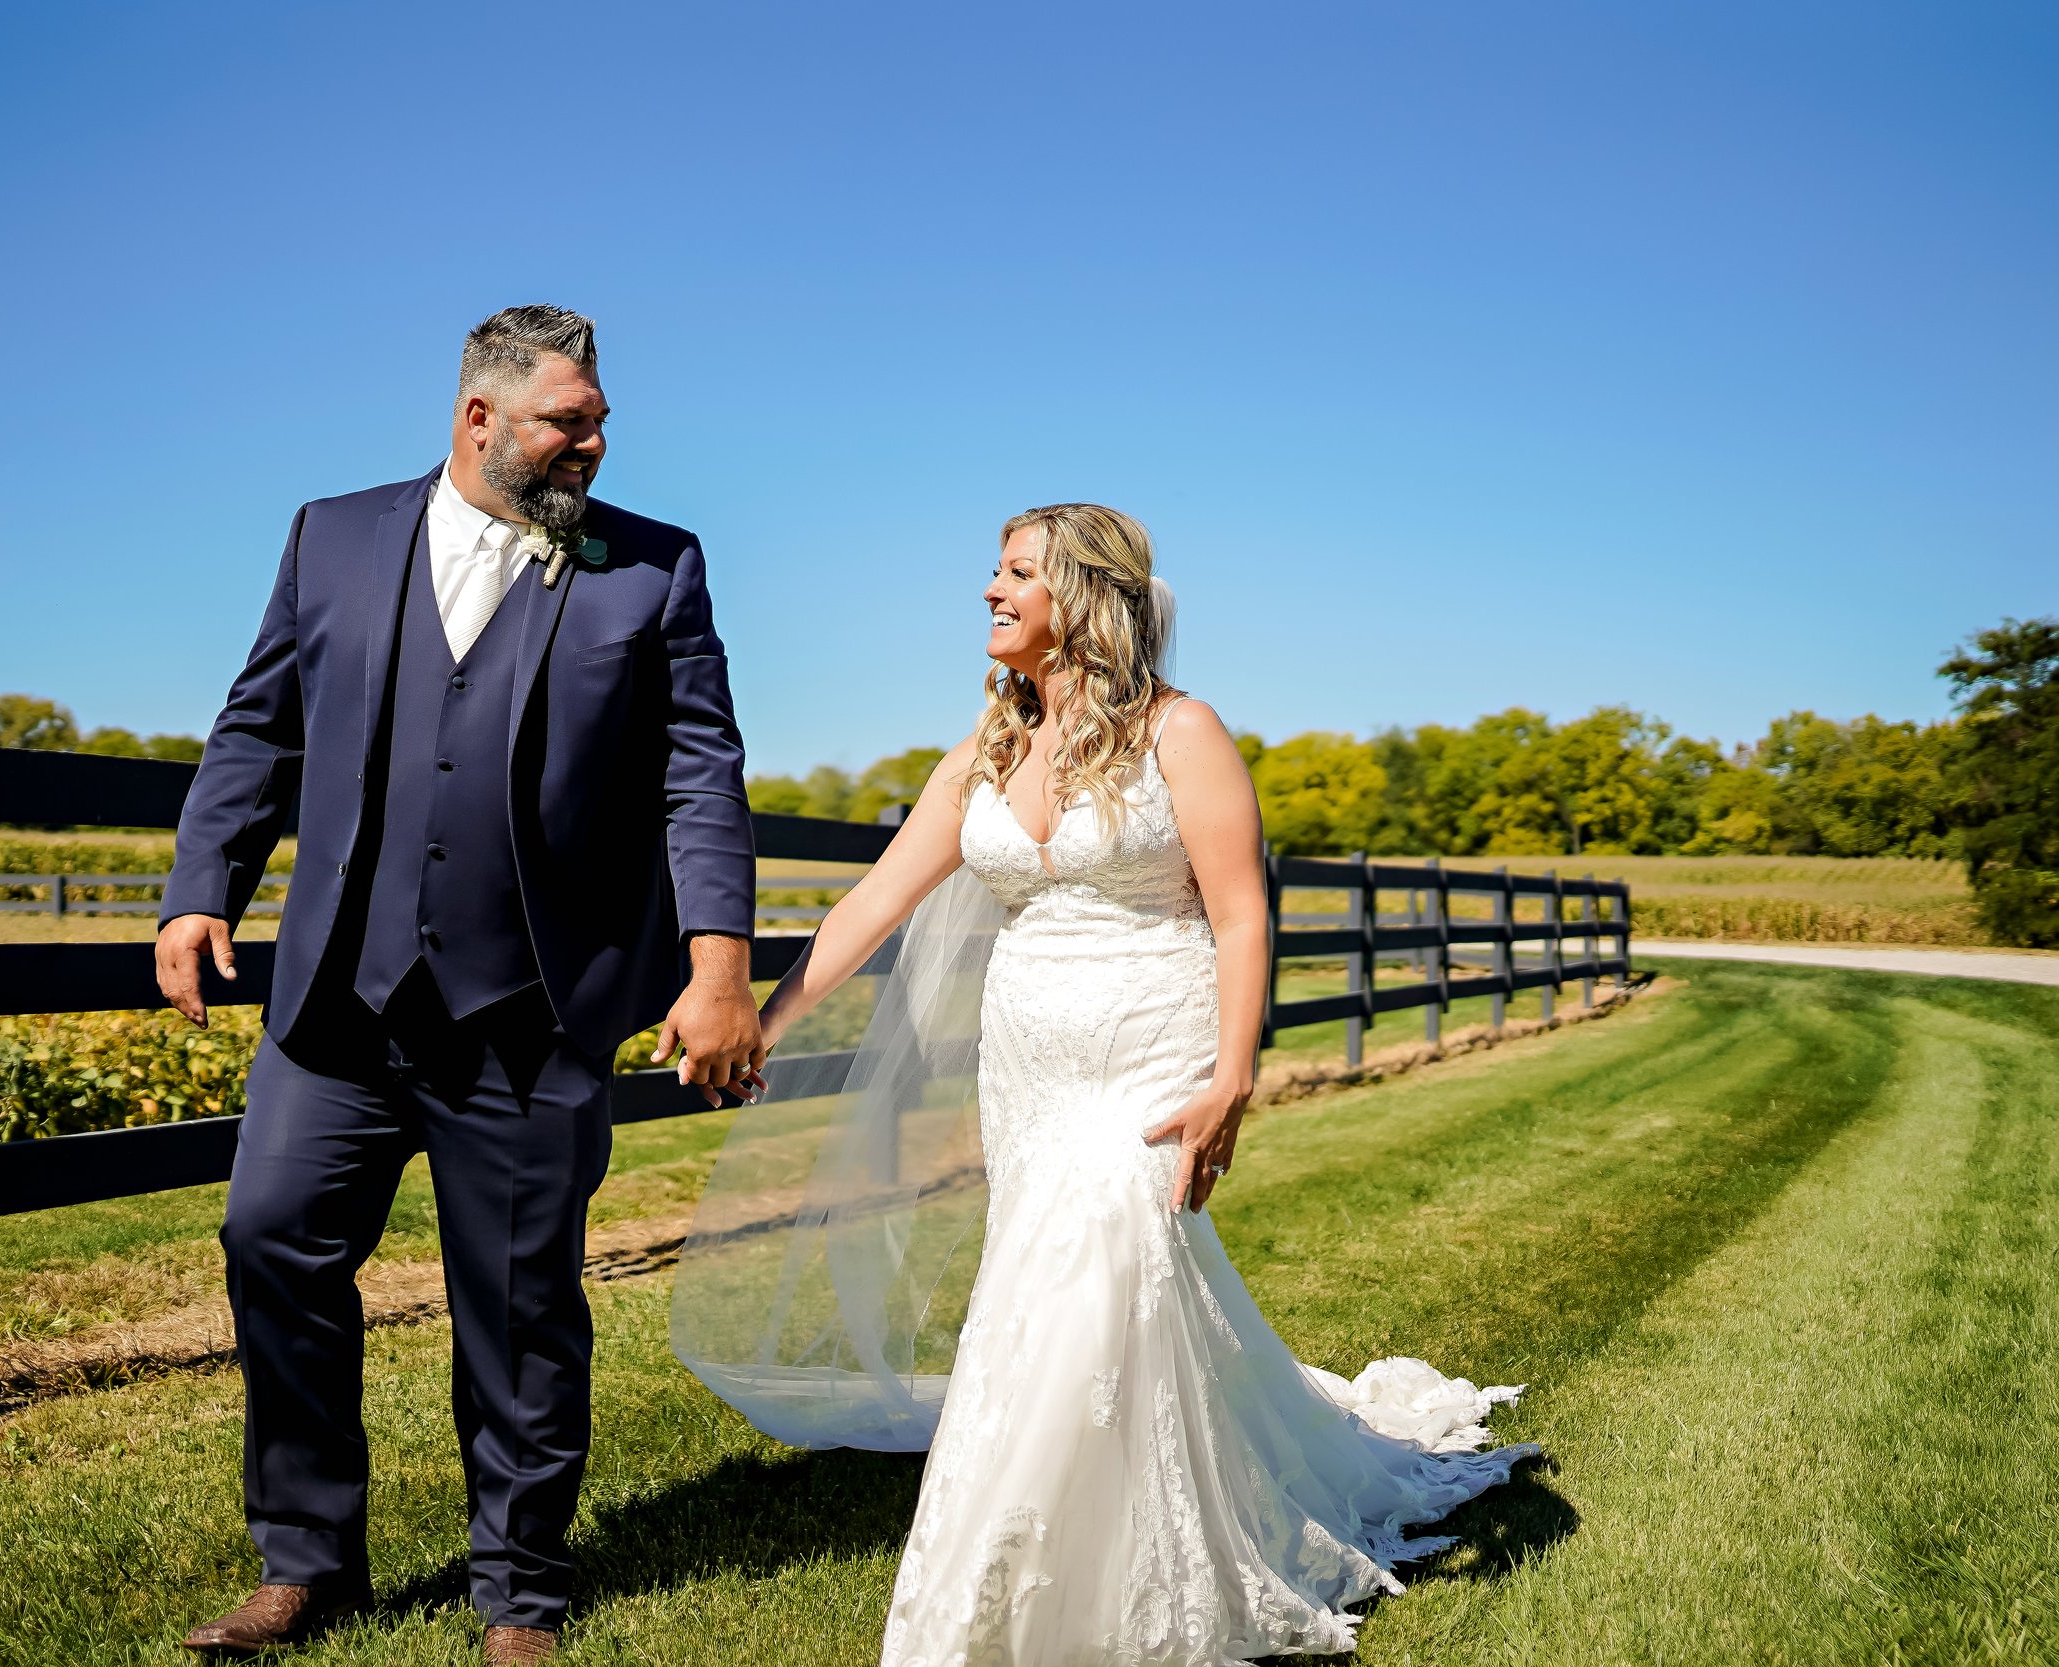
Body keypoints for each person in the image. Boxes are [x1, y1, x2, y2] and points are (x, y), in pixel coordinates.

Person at [687, 504, 1534, 1662]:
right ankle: (1090, 1526)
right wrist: (762, 1020)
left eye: (1016, 572)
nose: (989, 590)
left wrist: (1234, 1073)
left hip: (1152, 1039)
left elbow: (1240, 912)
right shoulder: (979, 752)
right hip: (1029, 1059)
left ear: (1083, 595)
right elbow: (868, 905)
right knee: (1062, 1286)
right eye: (992, 570)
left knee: (1095, 1271)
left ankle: (1057, 1575)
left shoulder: (1181, 733)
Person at [154, 305, 761, 1664]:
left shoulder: (651, 568)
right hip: (337, 1006)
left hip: (533, 1008)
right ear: (479, 418)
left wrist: (718, 961)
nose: (594, 443)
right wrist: (204, 889)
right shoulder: (333, 534)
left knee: (519, 1300)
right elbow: (260, 723)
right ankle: (305, 1558)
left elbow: (698, 770)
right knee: (272, 1241)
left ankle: (521, 1590)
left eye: (599, 420)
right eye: (569, 420)